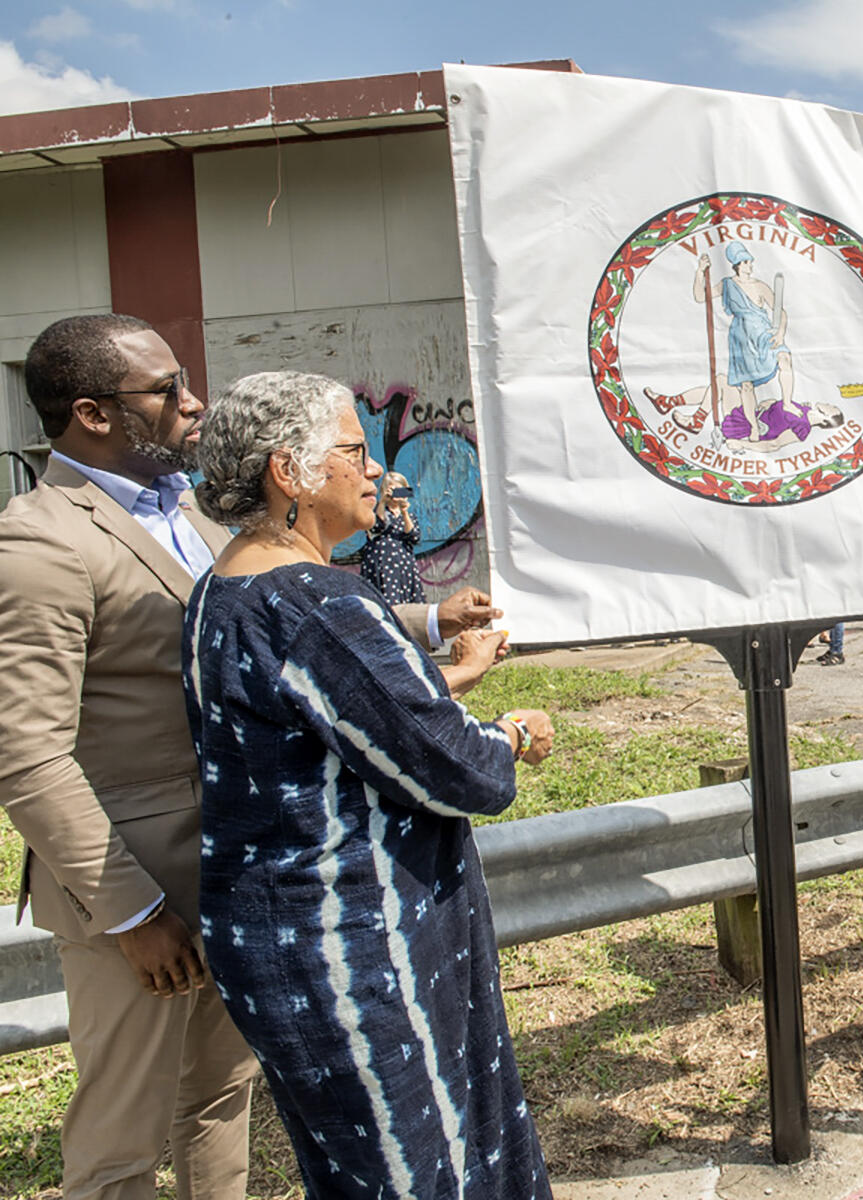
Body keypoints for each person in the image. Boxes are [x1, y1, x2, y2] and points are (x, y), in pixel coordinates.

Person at [183, 371, 558, 1198]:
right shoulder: (320, 602)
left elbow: (339, 723)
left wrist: (443, 682)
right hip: (357, 944)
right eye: (355, 450)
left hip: (278, 943)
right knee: (424, 1169)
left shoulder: (221, 589)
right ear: (292, 471)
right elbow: (457, 769)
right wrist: (515, 735)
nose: (374, 470)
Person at [0, 314, 261, 1199]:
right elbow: (27, 754)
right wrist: (130, 912)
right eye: (167, 390)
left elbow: (265, 619)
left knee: (222, 1099)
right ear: (93, 413)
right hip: (134, 887)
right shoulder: (40, 542)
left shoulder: (186, 511)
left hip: (231, 859)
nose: (194, 404)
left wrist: (424, 625)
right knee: (120, 1142)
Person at [361, 468, 427, 605]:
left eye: (400, 490)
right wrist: (383, 502)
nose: (396, 494)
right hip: (381, 563)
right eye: (392, 490)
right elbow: (376, 527)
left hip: (404, 564)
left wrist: (404, 512)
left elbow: (414, 537)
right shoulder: (376, 511)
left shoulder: (410, 515)